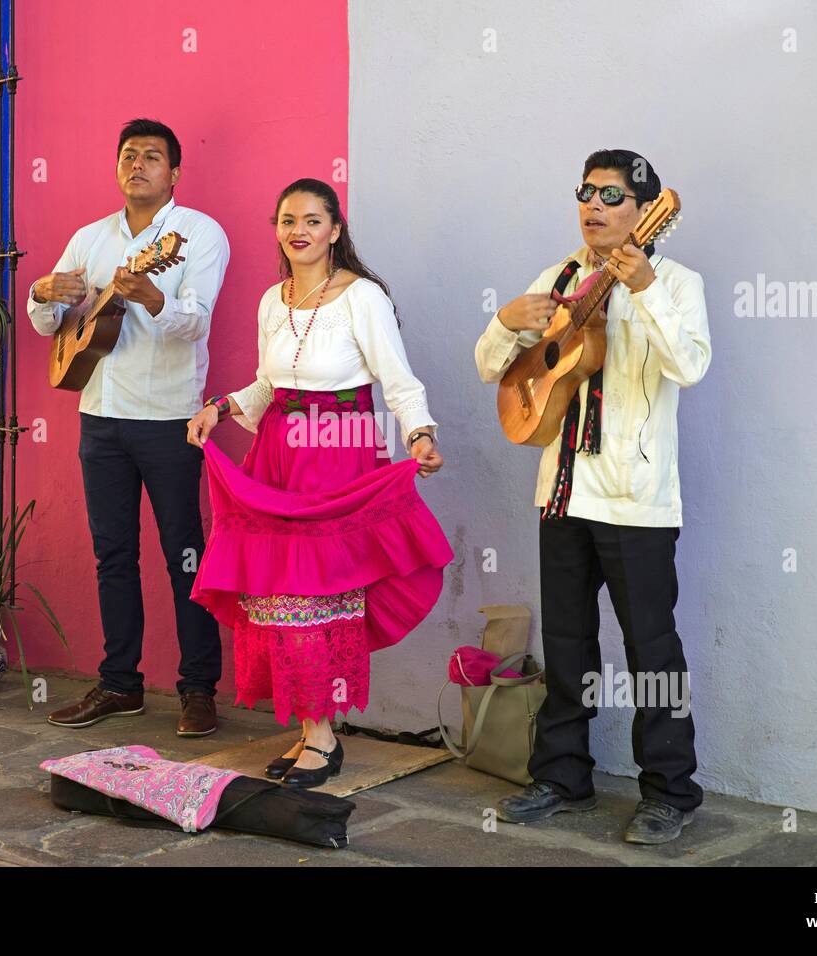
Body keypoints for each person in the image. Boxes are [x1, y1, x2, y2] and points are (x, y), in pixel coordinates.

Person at [474, 149, 711, 844]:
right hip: (563, 492)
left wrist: (644, 292)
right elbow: (494, 366)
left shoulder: (676, 281)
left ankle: (670, 790)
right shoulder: (560, 278)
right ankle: (561, 774)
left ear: (645, 213)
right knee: (569, 644)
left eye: (612, 196)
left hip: (634, 499)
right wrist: (508, 321)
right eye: (587, 192)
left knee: (652, 652)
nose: (595, 206)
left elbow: (689, 365)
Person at [186, 178, 453, 788]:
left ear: (335, 231)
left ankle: (325, 739)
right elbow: (265, 384)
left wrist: (419, 434)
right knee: (278, 598)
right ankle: (311, 732)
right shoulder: (269, 300)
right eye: (287, 220)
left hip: (338, 453)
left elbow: (398, 380)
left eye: (312, 219)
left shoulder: (363, 298)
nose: (298, 230)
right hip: (278, 455)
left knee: (319, 598)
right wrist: (220, 408)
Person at [28, 119, 230, 737]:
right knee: (112, 555)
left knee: (185, 555)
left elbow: (196, 323)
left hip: (169, 419)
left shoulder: (197, 235)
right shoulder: (89, 238)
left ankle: (199, 689)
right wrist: (42, 291)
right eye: (127, 155)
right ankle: (120, 684)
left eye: (151, 156)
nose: (137, 164)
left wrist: (151, 296)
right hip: (100, 417)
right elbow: (47, 324)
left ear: (174, 172)